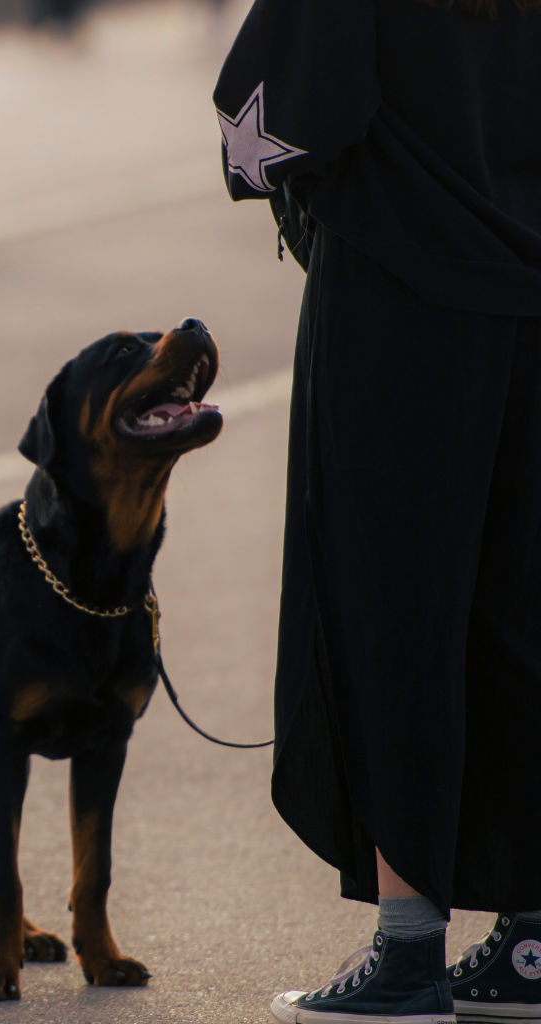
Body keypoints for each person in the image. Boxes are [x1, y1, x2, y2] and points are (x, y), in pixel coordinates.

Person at [213, 0, 541, 1021]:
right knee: (522, 612)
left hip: (403, 294)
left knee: (392, 610)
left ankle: (407, 952)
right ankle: (532, 942)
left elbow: (277, 115)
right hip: (534, 295)